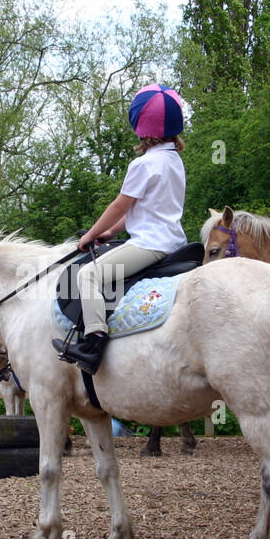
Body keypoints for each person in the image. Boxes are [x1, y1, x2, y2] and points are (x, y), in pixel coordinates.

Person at [54, 84, 188, 374]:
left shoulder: (143, 164)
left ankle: (93, 341)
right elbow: (144, 209)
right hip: (175, 241)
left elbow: (120, 205)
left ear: (141, 127)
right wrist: (111, 233)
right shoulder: (175, 161)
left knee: (88, 274)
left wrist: (90, 234)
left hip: (150, 244)